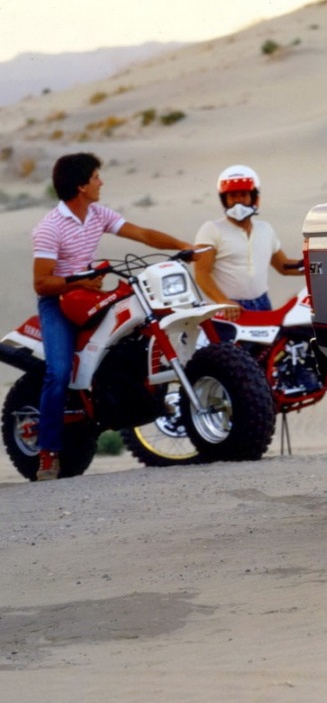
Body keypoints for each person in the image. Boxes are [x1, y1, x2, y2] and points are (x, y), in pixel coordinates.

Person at [31, 152, 197, 482]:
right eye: (96, 177)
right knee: (58, 372)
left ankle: (142, 399)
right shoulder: (49, 228)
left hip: (90, 295)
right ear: (81, 186)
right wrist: (78, 281)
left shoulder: (97, 214)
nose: (101, 182)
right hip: (57, 303)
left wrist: (183, 246)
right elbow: (41, 282)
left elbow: (142, 234)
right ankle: (47, 452)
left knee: (134, 333)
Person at [193, 164, 304, 314]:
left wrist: (317, 268)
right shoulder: (211, 229)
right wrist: (223, 301)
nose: (238, 201)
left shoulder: (265, 229)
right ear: (224, 200)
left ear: (254, 198)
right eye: (233, 196)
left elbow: (284, 266)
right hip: (229, 308)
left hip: (263, 303)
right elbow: (202, 273)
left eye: (243, 195)